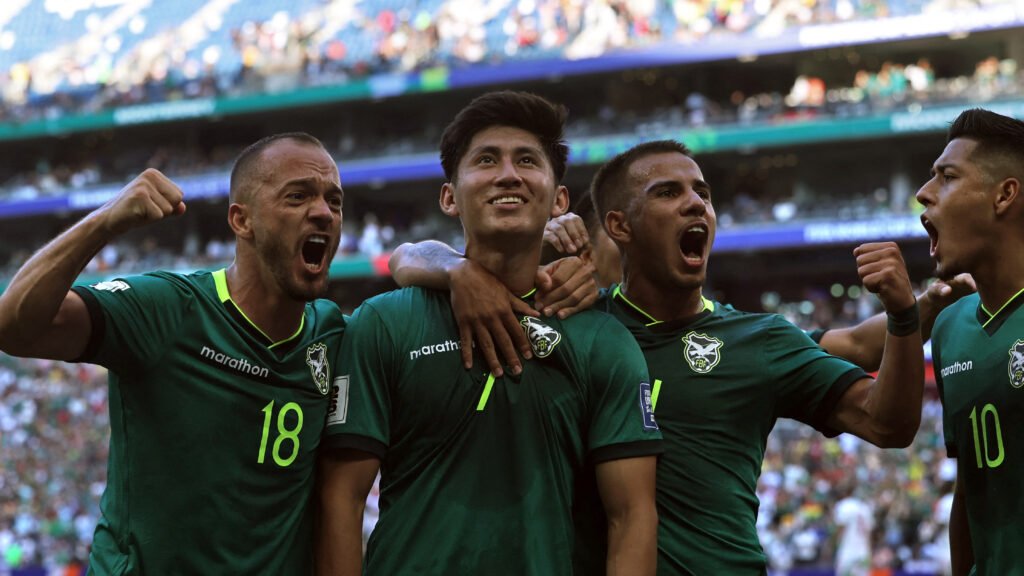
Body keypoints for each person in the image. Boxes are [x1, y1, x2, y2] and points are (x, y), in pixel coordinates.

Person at [390, 139, 925, 574]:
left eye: (703, 193)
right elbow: (407, 255)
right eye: (668, 192)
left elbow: (888, 424)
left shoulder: (759, 339)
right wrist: (462, 271)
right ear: (619, 226)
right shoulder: (575, 323)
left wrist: (906, 317)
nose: (696, 204)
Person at [316, 91, 662, 576]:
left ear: (559, 199)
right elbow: (342, 499)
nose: (508, 174)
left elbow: (631, 518)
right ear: (449, 197)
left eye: (527, 160)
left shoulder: (603, 340)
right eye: (486, 160)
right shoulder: (383, 323)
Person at [0, 133, 347, 574]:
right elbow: (14, 327)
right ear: (242, 221)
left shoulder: (332, 334)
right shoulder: (166, 310)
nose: (323, 212)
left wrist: (427, 261)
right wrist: (104, 221)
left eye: (334, 201)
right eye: (297, 196)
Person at [543, 200, 974, 371]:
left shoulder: (735, 338)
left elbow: (859, 346)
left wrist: (925, 306)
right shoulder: (555, 332)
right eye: (623, 235)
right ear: (587, 254)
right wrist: (517, 261)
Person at [917, 107, 1024, 575]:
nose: (923, 193)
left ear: (1004, 195)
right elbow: (969, 492)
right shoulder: (949, 328)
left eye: (947, 177)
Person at [833, 484, 875, 576]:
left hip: (847, 551)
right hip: (863, 552)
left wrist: (836, 546)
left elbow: (840, 529)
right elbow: (869, 534)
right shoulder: (866, 508)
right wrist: (869, 553)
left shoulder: (844, 505)